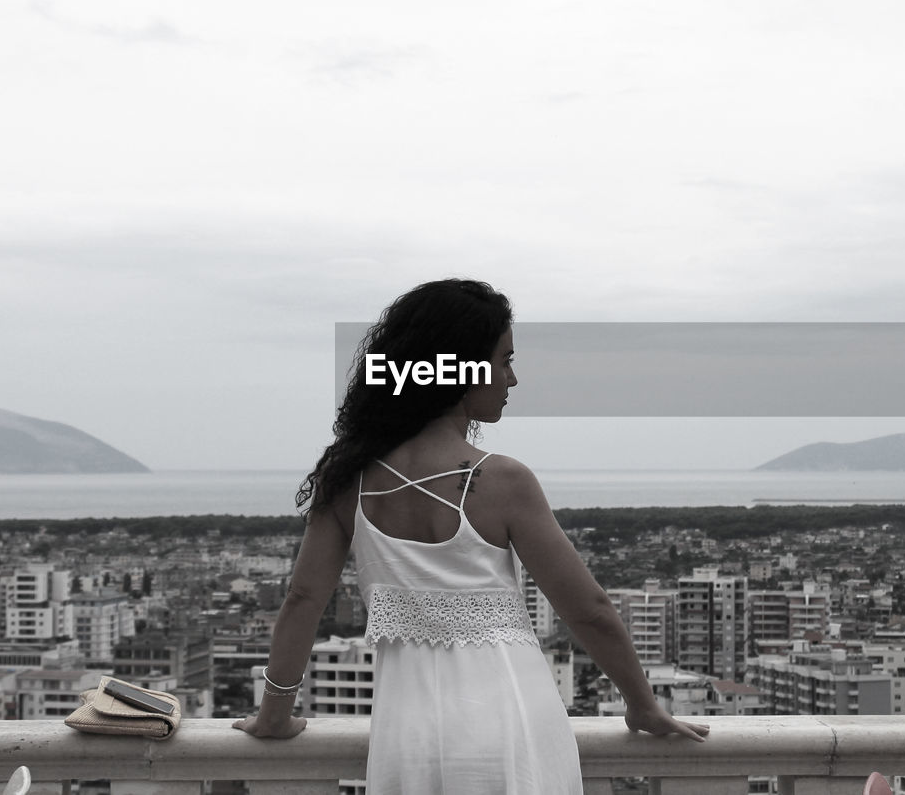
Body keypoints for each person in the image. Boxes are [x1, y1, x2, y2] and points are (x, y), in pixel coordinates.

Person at [234, 278, 709, 793]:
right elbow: (588, 609)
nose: (513, 378)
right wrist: (641, 703)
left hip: (406, 737)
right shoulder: (504, 480)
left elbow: (303, 600)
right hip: (513, 721)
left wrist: (274, 717)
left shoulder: (347, 479)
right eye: (504, 360)